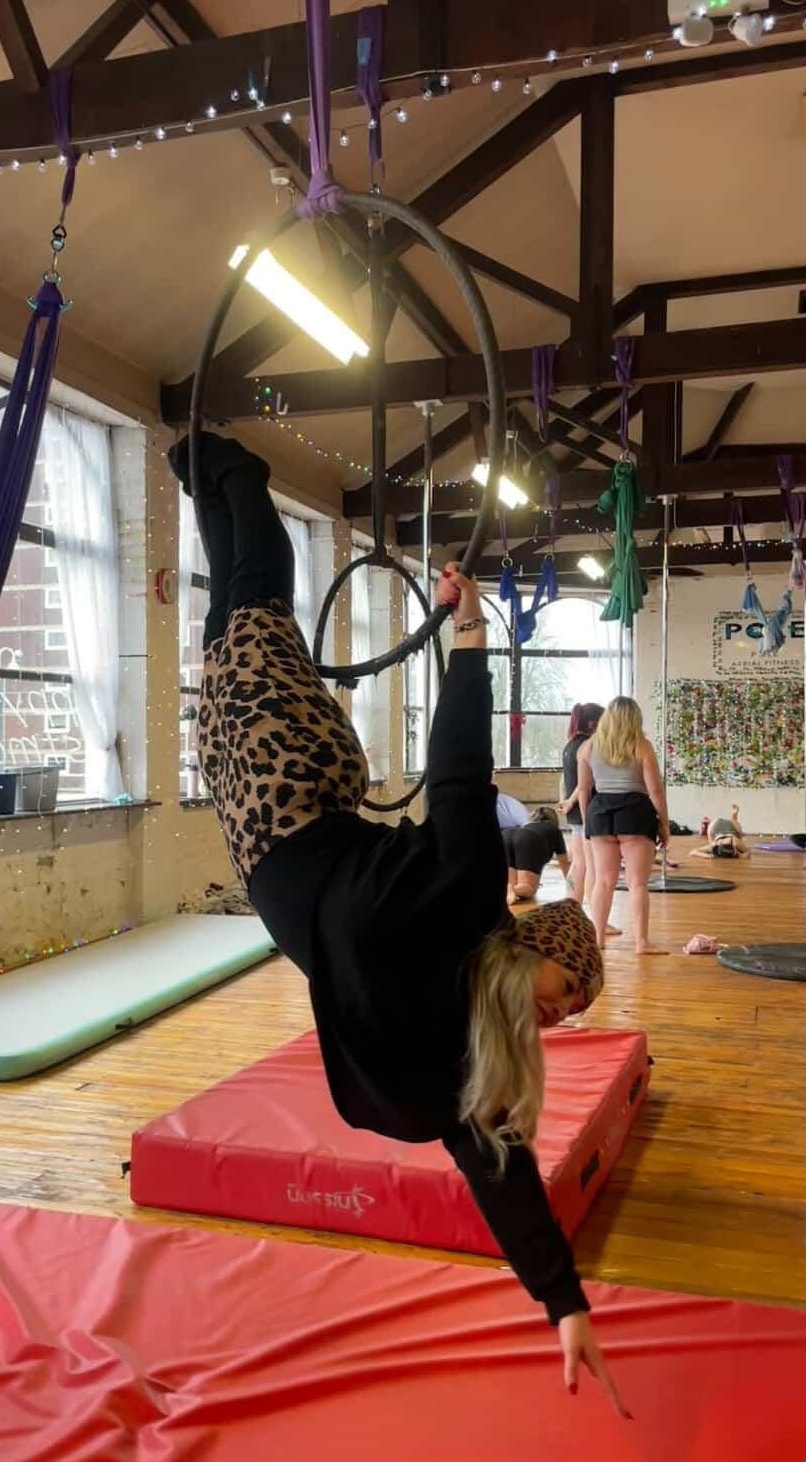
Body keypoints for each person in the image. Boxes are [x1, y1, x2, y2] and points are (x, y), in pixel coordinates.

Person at [169, 431, 628, 1418]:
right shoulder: (468, 898)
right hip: (301, 795)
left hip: (278, 825)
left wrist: (563, 1302)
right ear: (536, 945)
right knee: (253, 596)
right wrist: (466, 637)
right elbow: (460, 770)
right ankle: (221, 466)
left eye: (575, 1010)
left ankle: (209, 471)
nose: (567, 1017)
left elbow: (503, 1171)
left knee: (246, 607)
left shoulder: (471, 1060)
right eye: (569, 994)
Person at [578, 696, 669, 955]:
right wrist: (664, 825)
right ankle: (641, 942)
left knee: (603, 882)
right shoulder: (641, 746)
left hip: (600, 814)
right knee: (637, 883)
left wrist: (587, 823)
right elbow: (656, 792)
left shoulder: (588, 747)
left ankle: (598, 939)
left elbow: (584, 790)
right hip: (635, 814)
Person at [557, 703, 605, 906]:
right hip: (586, 809)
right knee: (593, 866)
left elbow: (567, 779)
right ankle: (597, 917)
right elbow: (586, 781)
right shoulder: (589, 745)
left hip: (576, 812)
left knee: (579, 863)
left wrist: (567, 800)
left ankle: (570, 911)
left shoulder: (570, 744)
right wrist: (571, 800)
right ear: (594, 724)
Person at [504, 807, 571, 904]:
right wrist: (571, 886)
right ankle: (513, 890)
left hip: (506, 834)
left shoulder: (527, 827)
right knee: (528, 888)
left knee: (512, 885)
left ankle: (508, 890)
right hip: (527, 839)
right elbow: (564, 863)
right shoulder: (554, 830)